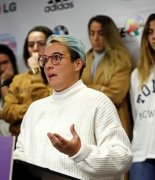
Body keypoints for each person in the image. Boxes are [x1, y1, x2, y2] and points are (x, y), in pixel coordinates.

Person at [14, 34, 132, 180]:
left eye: (56, 58)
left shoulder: (98, 102)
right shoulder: (35, 109)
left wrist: (79, 151)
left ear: (77, 64)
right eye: (45, 60)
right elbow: (21, 154)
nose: (48, 65)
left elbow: (122, 158)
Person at [81, 15, 133, 139]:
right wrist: (101, 88)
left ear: (110, 34)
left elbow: (116, 95)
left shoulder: (121, 58)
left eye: (101, 33)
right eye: (92, 33)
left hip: (114, 125)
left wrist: (84, 89)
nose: (95, 38)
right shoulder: (83, 58)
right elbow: (72, 90)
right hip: (87, 126)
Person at [129, 13, 155, 180]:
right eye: (150, 32)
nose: (154, 36)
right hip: (141, 153)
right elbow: (136, 116)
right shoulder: (137, 74)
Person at [3, 26, 53, 137]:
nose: (35, 48)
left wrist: (36, 71)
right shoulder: (18, 79)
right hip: (20, 138)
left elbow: (49, 108)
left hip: (49, 137)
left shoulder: (59, 77)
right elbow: (7, 112)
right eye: (31, 45)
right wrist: (33, 108)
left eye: (41, 44)